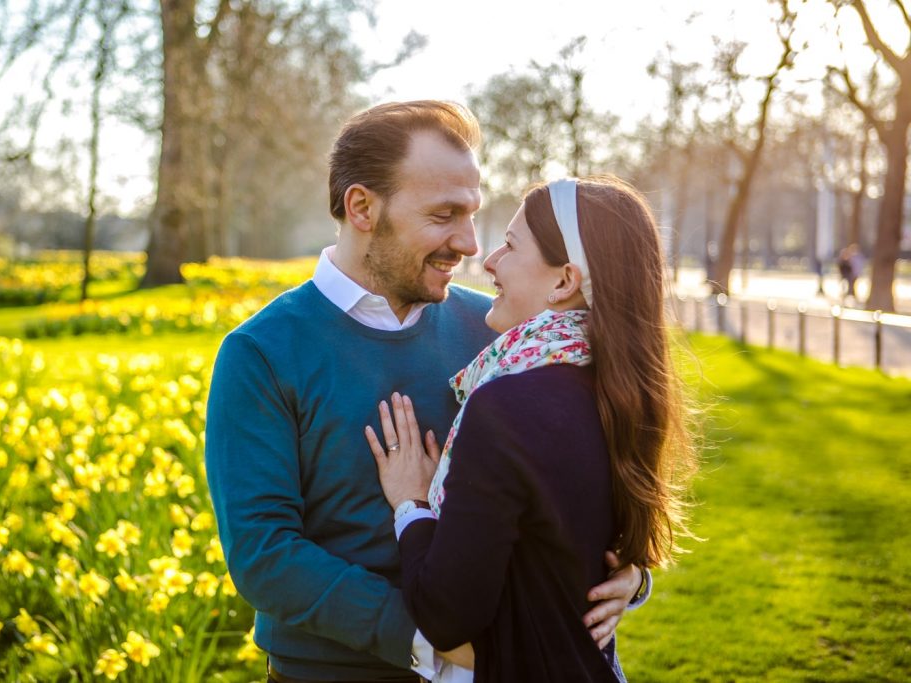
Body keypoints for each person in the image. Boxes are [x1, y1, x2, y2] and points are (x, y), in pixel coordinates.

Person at [205, 102, 647, 683]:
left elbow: (572, 476)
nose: (468, 244)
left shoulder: (496, 332)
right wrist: (431, 643)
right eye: (444, 215)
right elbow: (265, 554)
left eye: (472, 216)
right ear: (362, 207)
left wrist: (629, 572)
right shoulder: (261, 352)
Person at [367, 176, 695, 682]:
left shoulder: (505, 406)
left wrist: (412, 507)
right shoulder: (622, 387)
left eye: (511, 246)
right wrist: (635, 577)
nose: (489, 260)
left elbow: (446, 616)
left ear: (565, 281)